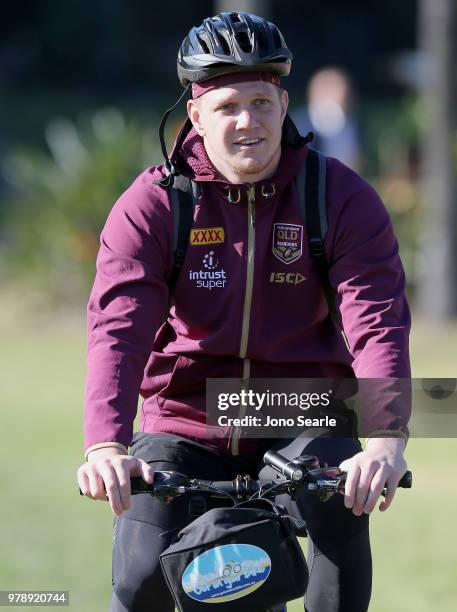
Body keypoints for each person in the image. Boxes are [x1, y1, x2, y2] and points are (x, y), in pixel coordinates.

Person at [77, 12, 410, 612]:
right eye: (228, 105)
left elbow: (377, 320)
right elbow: (117, 331)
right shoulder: (153, 206)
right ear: (196, 115)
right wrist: (106, 447)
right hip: (184, 415)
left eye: (261, 102)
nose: (248, 122)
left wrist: (385, 439)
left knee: (339, 532)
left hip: (305, 406)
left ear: (284, 105)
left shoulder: (340, 197)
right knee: (138, 582)